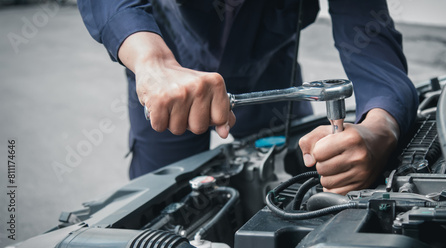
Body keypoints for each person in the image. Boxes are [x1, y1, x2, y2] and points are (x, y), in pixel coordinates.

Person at [77, 0, 418, 195]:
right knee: (157, 200)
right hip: (168, 84)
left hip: (268, 83)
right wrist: (153, 62)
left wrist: (379, 131)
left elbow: (374, 50)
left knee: (285, 186)